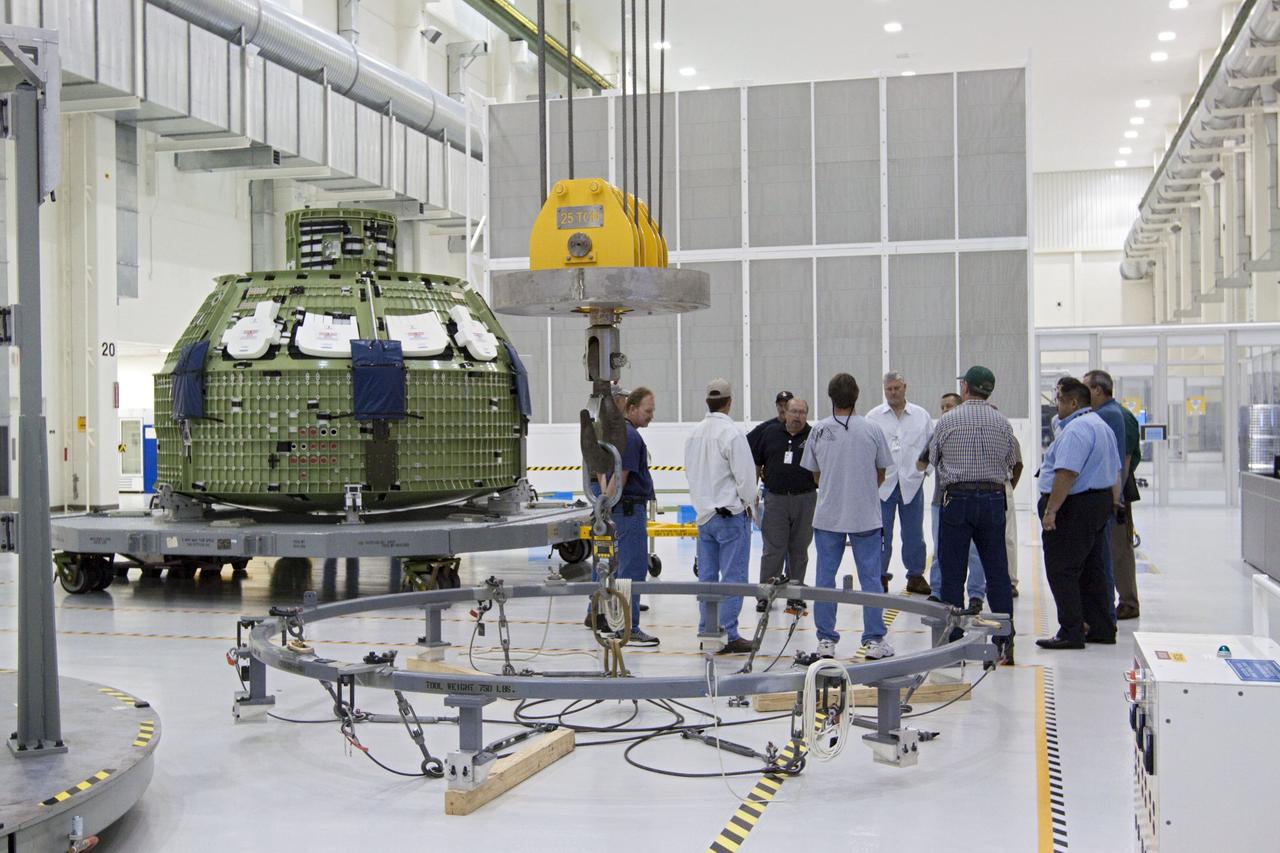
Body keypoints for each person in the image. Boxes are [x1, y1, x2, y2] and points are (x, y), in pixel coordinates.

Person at [928, 365, 1019, 664]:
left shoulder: (948, 420)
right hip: (993, 499)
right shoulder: (1002, 422)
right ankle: (1004, 643)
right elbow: (1014, 463)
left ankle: (953, 647)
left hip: (957, 499)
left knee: (953, 572)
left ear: (966, 388)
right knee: (997, 573)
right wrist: (998, 490)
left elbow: (932, 458)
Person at [800, 373, 894, 660]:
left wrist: (835, 488)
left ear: (830, 397)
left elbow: (815, 474)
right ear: (857, 396)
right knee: (871, 579)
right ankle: (875, 640)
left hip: (828, 516)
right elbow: (882, 472)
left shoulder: (817, 431)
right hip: (865, 515)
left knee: (824, 579)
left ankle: (825, 641)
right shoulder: (872, 429)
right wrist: (860, 491)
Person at [1036, 378, 1120, 650]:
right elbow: (1116, 471)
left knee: (1062, 568)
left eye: (1060, 400)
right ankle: (1100, 628)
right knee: (1093, 569)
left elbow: (1067, 473)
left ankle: (1071, 630)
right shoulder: (1101, 426)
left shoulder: (1076, 430)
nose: (1057, 405)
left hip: (1075, 506)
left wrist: (1051, 511)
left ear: (1074, 403)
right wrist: (1113, 504)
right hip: (1099, 502)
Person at [684, 378, 757, 655]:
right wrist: (748, 504)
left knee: (707, 578)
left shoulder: (694, 434)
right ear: (729, 401)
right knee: (733, 577)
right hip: (730, 516)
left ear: (708, 402)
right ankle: (729, 633)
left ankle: (708, 630)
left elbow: (691, 474)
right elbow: (746, 479)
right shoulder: (732, 434)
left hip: (704, 517)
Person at [584, 387, 660, 646]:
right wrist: (607, 499)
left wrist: (603, 503)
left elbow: (605, 471)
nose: (651, 416)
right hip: (628, 512)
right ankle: (628, 627)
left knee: (611, 569)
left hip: (617, 510)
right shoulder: (631, 438)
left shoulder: (616, 436)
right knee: (632, 572)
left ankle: (608, 621)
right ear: (631, 409)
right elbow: (622, 476)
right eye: (648, 411)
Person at [868, 371, 933, 596]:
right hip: (883, 485)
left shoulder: (921, 416)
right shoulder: (873, 417)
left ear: (905, 387)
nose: (893, 393)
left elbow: (932, 446)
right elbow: (867, 449)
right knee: (881, 533)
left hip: (912, 483)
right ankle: (880, 576)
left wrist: (925, 472)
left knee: (914, 533)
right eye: (889, 389)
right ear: (884, 390)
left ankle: (915, 575)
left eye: (896, 388)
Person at [920, 393, 986, 612]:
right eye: (942, 407)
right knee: (940, 549)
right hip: (942, 500)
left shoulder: (973, 432)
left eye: (950, 406)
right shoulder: (939, 433)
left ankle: (976, 594)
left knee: (974, 550)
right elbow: (921, 464)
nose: (945, 410)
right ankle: (937, 591)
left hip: (973, 498)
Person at [1083, 369, 1139, 621]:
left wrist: (1116, 499)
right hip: (1108, 490)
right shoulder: (1102, 415)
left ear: (1097, 389)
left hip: (1116, 491)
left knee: (1118, 548)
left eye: (1086, 388)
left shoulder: (1116, 416)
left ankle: (1127, 601)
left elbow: (1123, 460)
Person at [752, 398, 815, 613]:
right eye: (794, 411)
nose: (797, 416)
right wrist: (753, 491)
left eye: (802, 412)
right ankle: (765, 594)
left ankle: (795, 595)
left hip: (805, 499)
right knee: (773, 549)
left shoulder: (813, 436)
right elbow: (757, 462)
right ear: (785, 413)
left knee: (799, 548)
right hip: (776, 499)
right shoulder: (770, 433)